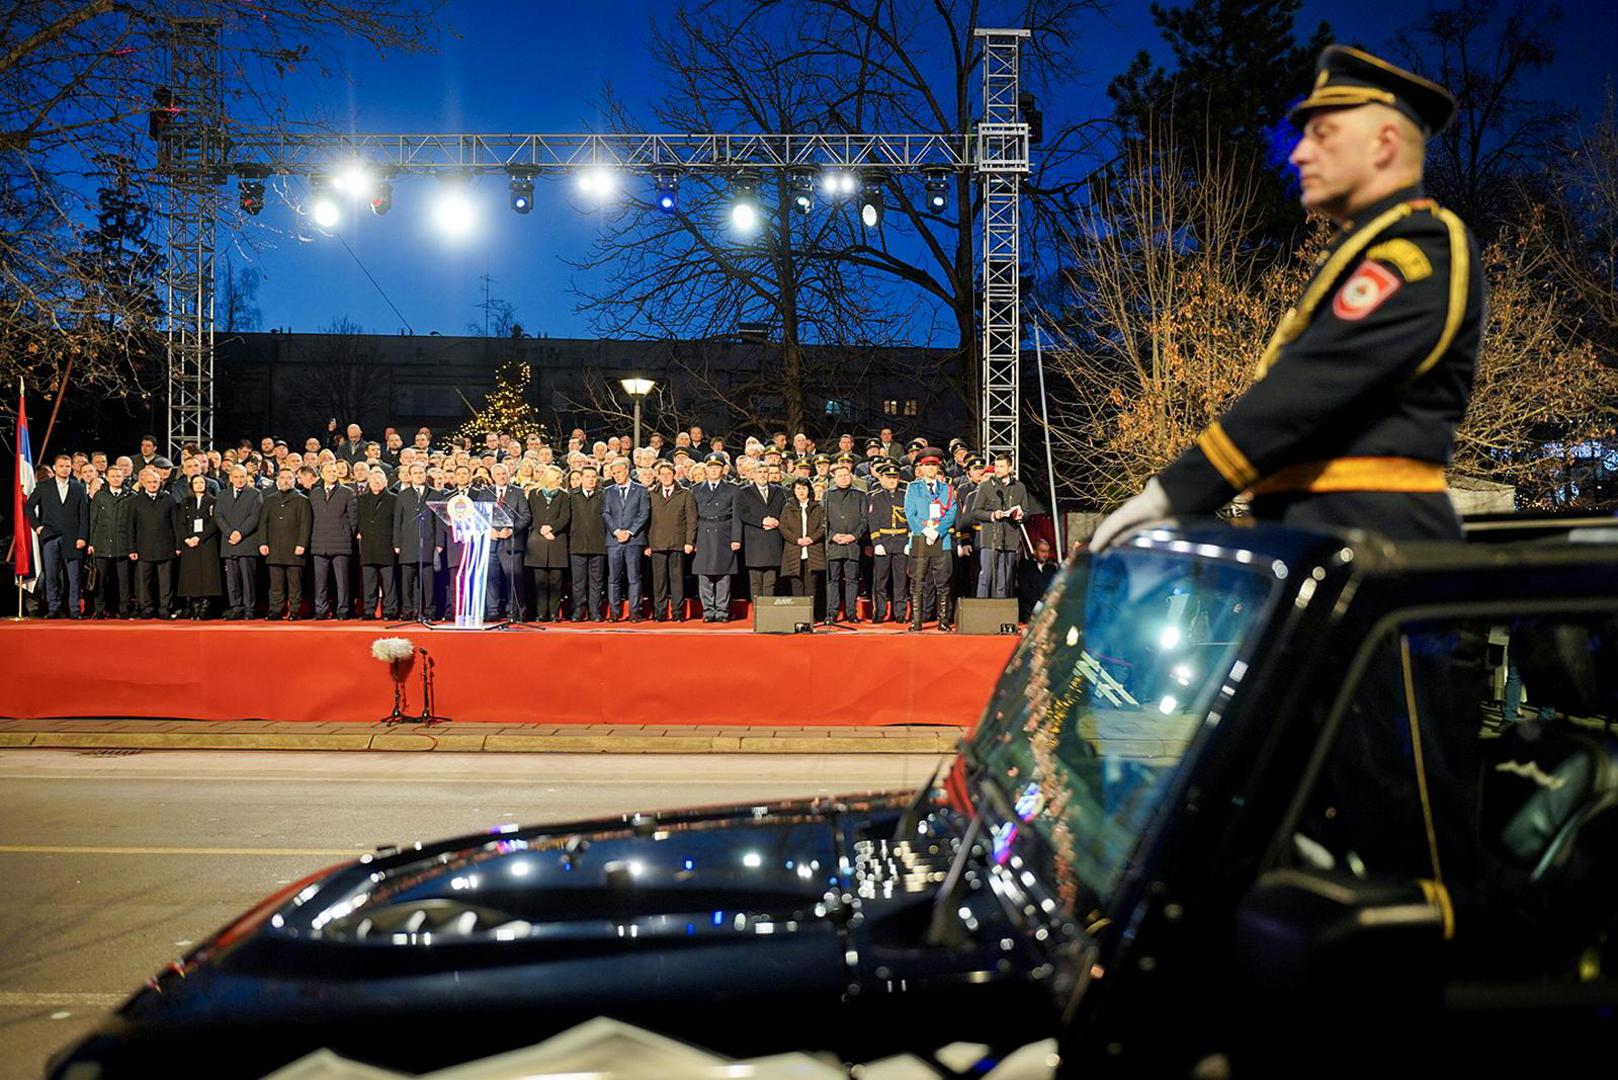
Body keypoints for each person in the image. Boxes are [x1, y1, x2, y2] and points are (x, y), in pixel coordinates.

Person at [1092, 44, 1481, 551]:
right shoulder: (1359, 253)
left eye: (1322, 134)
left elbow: (1311, 384)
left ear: (1384, 143)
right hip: (1326, 539)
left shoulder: (1420, 247)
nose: (1299, 153)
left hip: (1378, 549)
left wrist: (1175, 493)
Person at [25, 453, 89, 618]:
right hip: (50, 537)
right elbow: (29, 507)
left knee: (74, 577)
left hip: (73, 538)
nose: (65, 469)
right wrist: (38, 527)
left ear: (71, 468)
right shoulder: (44, 486)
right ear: (54, 468)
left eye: (67, 466)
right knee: (51, 575)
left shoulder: (78, 488)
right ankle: (53, 609)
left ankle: (74, 610)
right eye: (61, 466)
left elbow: (84, 515)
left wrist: (82, 537)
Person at [905, 447, 957, 632]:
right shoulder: (913, 488)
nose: (930, 469)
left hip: (941, 539)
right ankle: (916, 620)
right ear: (921, 468)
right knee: (917, 581)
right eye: (927, 466)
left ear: (938, 468)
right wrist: (926, 531)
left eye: (934, 466)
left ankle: (943, 620)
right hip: (920, 538)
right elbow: (910, 514)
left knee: (942, 581)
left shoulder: (947, 489)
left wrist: (938, 531)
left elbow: (951, 512)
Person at [690, 453, 741, 622]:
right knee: (704, 574)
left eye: (717, 467)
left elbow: (736, 516)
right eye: (710, 467)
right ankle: (708, 611)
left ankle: (722, 611)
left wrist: (736, 538)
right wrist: (692, 540)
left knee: (723, 574)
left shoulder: (732, 489)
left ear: (723, 469)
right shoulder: (696, 489)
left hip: (724, 533)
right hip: (703, 532)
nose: (713, 470)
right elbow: (692, 517)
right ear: (706, 469)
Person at [646, 461, 696, 622]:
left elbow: (691, 520)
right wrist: (646, 544)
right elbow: (646, 520)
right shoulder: (651, 493)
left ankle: (677, 613)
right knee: (658, 582)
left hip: (678, 543)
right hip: (657, 543)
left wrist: (689, 542)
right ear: (658, 477)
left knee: (677, 581)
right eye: (663, 474)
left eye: (669, 474)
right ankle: (660, 613)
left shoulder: (686, 494)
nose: (666, 477)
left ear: (674, 475)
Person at [482, 462, 531, 622]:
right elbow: (479, 515)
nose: (501, 477)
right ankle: (493, 610)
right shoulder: (486, 493)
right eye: (498, 474)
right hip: (491, 543)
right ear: (492, 477)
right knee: (491, 578)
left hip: (511, 542)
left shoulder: (517, 492)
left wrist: (511, 530)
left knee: (513, 579)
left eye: (504, 474)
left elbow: (525, 516)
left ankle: (516, 612)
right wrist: (488, 530)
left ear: (508, 475)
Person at [260, 469, 312, 620]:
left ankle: (295, 611)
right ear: (277, 480)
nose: (285, 481)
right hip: (274, 548)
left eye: (289, 478)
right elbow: (263, 523)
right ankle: (275, 610)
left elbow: (305, 524)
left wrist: (302, 544)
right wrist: (263, 542)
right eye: (282, 478)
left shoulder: (302, 500)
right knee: (276, 584)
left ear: (294, 480)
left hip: (294, 548)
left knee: (295, 583)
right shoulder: (270, 500)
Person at [974, 453, 1027, 599]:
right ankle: (981, 611)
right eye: (996, 466)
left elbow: (1026, 511)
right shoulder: (986, 487)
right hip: (990, 538)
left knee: (1004, 579)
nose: (998, 469)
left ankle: (1001, 613)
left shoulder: (1019, 487)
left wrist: (1021, 515)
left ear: (1010, 468)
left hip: (1009, 539)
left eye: (1001, 466)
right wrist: (992, 515)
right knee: (986, 576)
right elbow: (975, 512)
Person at [393, 462, 441, 621]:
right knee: (407, 581)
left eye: (421, 472)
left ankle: (429, 611)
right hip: (407, 543)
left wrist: (439, 543)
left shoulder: (435, 494)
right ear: (410, 475)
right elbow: (397, 521)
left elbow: (439, 521)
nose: (419, 475)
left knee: (429, 582)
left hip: (428, 543)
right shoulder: (403, 495)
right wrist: (397, 543)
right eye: (416, 473)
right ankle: (408, 611)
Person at [602, 458, 649, 621]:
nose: (616, 476)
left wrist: (629, 532)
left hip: (633, 541)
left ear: (627, 471)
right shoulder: (608, 491)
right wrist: (616, 531)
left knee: (634, 577)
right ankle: (614, 613)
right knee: (613, 578)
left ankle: (635, 612)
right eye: (613, 473)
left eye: (619, 472)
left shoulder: (641, 490)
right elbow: (606, 513)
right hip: (613, 541)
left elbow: (643, 513)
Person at [129, 467, 178, 619]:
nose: (153, 484)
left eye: (155, 482)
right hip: (143, 548)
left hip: (166, 547)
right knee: (144, 582)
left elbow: (175, 524)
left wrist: (178, 546)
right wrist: (132, 549)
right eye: (149, 482)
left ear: (160, 483)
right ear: (143, 483)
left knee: (166, 582)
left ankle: (165, 608)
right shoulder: (135, 501)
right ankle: (147, 608)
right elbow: (131, 526)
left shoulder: (169, 499)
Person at [309, 461, 357, 619]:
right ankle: (320, 610)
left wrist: (348, 535)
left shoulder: (347, 492)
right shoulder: (314, 493)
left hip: (341, 543)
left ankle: (343, 611)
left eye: (334, 471)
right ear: (322, 474)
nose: (332, 474)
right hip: (319, 543)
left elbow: (353, 519)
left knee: (342, 582)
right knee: (319, 582)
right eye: (329, 471)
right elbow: (311, 518)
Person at [86, 464, 134, 618]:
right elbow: (93, 520)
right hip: (102, 543)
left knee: (124, 581)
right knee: (100, 580)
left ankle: (124, 609)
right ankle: (99, 610)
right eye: (112, 476)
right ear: (106, 477)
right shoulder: (100, 496)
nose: (116, 479)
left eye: (118, 476)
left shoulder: (131, 496)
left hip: (123, 544)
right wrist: (91, 542)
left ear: (123, 477)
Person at [215, 465, 263, 619]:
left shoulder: (255, 494)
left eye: (242, 476)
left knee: (248, 578)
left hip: (247, 542)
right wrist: (230, 533)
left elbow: (255, 517)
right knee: (232, 579)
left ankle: (249, 608)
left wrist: (240, 533)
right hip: (229, 542)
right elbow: (218, 516)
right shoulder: (223, 495)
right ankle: (236, 607)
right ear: (230, 478)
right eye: (236, 477)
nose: (239, 480)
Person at [735, 459, 787, 602]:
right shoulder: (744, 492)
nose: (763, 475)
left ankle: (768, 614)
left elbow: (785, 511)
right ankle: (758, 613)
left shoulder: (779, 491)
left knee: (771, 581)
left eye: (765, 472)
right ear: (753, 475)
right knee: (755, 582)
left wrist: (777, 521)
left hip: (773, 540)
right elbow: (742, 513)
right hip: (754, 542)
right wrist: (761, 521)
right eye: (760, 472)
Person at [525, 465, 572, 622]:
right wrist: (542, 529)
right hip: (538, 541)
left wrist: (552, 528)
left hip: (556, 540)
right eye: (557, 478)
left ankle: (553, 613)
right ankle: (541, 613)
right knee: (540, 581)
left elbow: (565, 517)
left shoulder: (564, 496)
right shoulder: (534, 494)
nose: (560, 481)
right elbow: (531, 515)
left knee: (555, 580)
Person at [823, 462, 867, 624]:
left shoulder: (860, 495)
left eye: (846, 475)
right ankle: (832, 613)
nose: (843, 478)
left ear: (851, 476)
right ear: (834, 478)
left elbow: (864, 520)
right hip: (833, 544)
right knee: (833, 580)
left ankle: (851, 613)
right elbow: (823, 520)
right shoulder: (827, 495)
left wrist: (853, 536)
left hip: (852, 544)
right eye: (840, 475)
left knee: (852, 580)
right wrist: (833, 535)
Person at [175, 473, 223, 619]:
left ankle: (205, 606)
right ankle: (194, 605)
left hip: (207, 542)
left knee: (208, 574)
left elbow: (214, 522)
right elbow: (181, 523)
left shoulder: (213, 501)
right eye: (196, 483)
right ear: (191, 485)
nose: (199, 485)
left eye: (201, 482)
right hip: (189, 543)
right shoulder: (186, 501)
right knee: (192, 575)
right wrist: (186, 539)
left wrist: (199, 537)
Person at [867, 461, 909, 624]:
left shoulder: (905, 495)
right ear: (882, 478)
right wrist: (876, 542)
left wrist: (909, 541)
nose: (892, 481)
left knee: (901, 580)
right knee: (880, 580)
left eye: (895, 478)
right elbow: (873, 520)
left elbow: (911, 519)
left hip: (901, 541)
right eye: (888, 478)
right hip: (883, 542)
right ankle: (880, 612)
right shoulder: (875, 496)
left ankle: (900, 613)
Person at [355, 469, 399, 619]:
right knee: (369, 582)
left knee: (389, 583)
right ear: (369, 482)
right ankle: (368, 611)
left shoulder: (394, 499)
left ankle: (390, 611)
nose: (377, 483)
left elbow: (396, 523)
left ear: (386, 482)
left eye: (380, 480)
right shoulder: (361, 499)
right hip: (368, 546)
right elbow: (358, 520)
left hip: (387, 545)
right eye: (373, 480)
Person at [568, 465, 607, 620]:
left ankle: (595, 611)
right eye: (587, 477)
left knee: (596, 582)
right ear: (582, 478)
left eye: (593, 477)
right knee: (578, 582)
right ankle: (578, 610)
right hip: (577, 544)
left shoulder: (603, 495)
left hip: (598, 544)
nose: (591, 480)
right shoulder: (572, 496)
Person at [778, 477, 825, 603]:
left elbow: (823, 526)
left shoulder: (818, 507)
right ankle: (799, 617)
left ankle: (809, 617)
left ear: (809, 489)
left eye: (804, 488)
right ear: (793, 490)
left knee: (811, 587)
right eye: (798, 488)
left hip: (813, 550)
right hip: (794, 550)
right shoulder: (788, 507)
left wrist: (811, 539)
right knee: (796, 586)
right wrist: (797, 540)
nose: (801, 491)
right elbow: (783, 527)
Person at [1016, 538, 1060, 622]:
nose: (1045, 555)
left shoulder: (1052, 569)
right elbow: (1025, 591)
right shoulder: (1026, 568)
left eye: (1047, 552)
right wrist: (1040, 604)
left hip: (1049, 611)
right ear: (1035, 551)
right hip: (1031, 612)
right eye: (1042, 551)